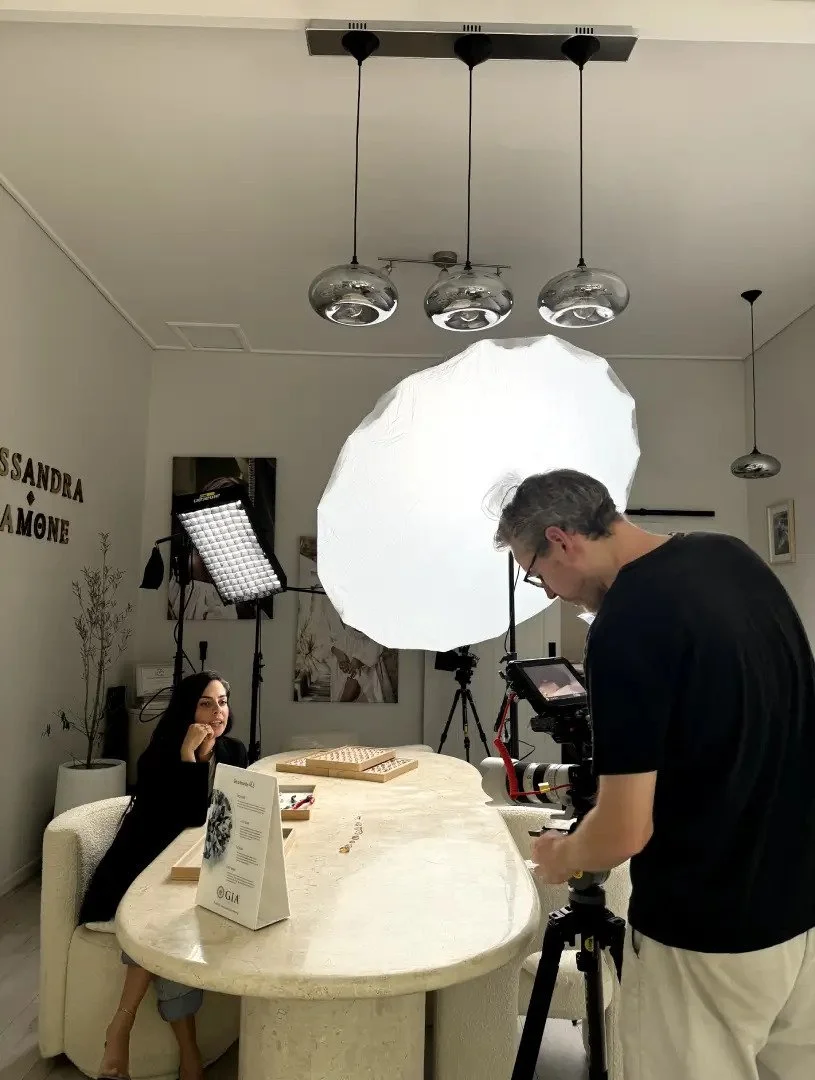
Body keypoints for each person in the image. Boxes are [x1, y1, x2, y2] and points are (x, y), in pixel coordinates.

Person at [495, 469, 815, 1080]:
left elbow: (623, 830)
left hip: (704, 933)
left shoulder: (625, 624)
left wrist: (564, 856)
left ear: (561, 540)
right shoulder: (733, 558)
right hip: (800, 911)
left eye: (535, 573)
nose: (549, 592)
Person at [80, 672, 247, 1080]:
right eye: (205, 703)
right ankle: (174, 1049)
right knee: (164, 927)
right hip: (137, 872)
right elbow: (188, 821)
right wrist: (190, 757)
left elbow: (231, 817)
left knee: (173, 922)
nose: (217, 712)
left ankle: (124, 1030)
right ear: (187, 709)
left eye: (222, 702)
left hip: (188, 871)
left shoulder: (234, 751)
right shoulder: (158, 755)